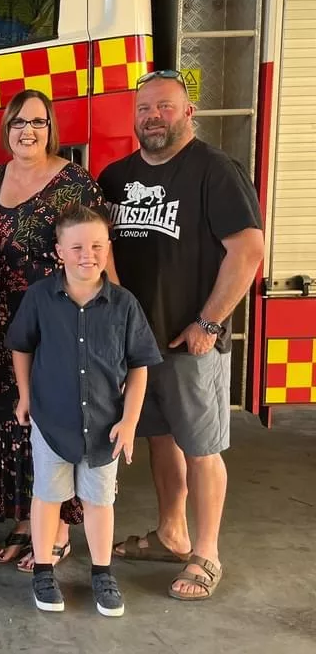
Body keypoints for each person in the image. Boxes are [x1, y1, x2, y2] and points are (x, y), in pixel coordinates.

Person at [98, 70, 263, 601]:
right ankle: (172, 533)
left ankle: (207, 552)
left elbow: (248, 251)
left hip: (192, 340)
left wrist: (209, 323)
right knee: (160, 439)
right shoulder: (116, 176)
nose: (153, 116)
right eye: (144, 108)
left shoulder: (214, 170)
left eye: (165, 107)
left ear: (188, 112)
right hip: (139, 344)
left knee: (202, 446)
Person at [0, 88, 113, 572]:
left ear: (52, 129)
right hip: (1, 325)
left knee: (54, 422)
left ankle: (60, 533)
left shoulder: (75, 183)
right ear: (6, 128)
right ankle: (28, 523)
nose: (28, 130)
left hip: (58, 322)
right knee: (11, 423)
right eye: (19, 122)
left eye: (38, 122)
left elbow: (97, 252)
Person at [6, 205, 162, 616]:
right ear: (60, 250)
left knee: (98, 500)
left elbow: (140, 365)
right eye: (76, 247)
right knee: (47, 496)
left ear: (108, 248)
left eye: (96, 246)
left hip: (105, 426)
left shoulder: (124, 304)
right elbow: (21, 346)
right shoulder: (40, 296)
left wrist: (129, 421)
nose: (86, 255)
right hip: (51, 420)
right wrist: (25, 396)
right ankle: (43, 570)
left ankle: (102, 573)